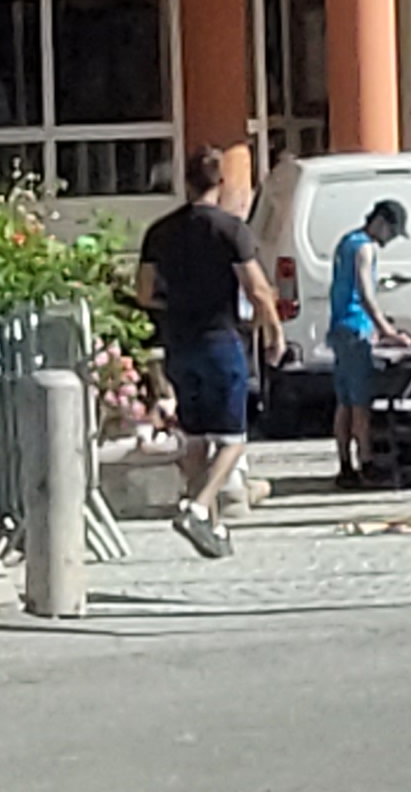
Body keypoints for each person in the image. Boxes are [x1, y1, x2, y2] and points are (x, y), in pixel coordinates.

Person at [135, 142, 281, 558]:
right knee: (233, 439)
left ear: (185, 182)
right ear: (221, 182)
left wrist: (172, 302)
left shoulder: (161, 231)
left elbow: (144, 291)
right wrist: (273, 330)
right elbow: (256, 288)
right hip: (220, 338)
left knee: (196, 438)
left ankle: (212, 528)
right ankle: (198, 507)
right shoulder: (230, 229)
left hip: (179, 341)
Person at [327, 197, 411, 490]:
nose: (390, 239)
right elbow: (365, 294)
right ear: (381, 223)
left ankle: (344, 465)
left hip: (339, 327)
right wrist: (388, 331)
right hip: (356, 330)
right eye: (392, 232)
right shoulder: (365, 248)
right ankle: (366, 462)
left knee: (344, 402)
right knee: (360, 403)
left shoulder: (346, 242)